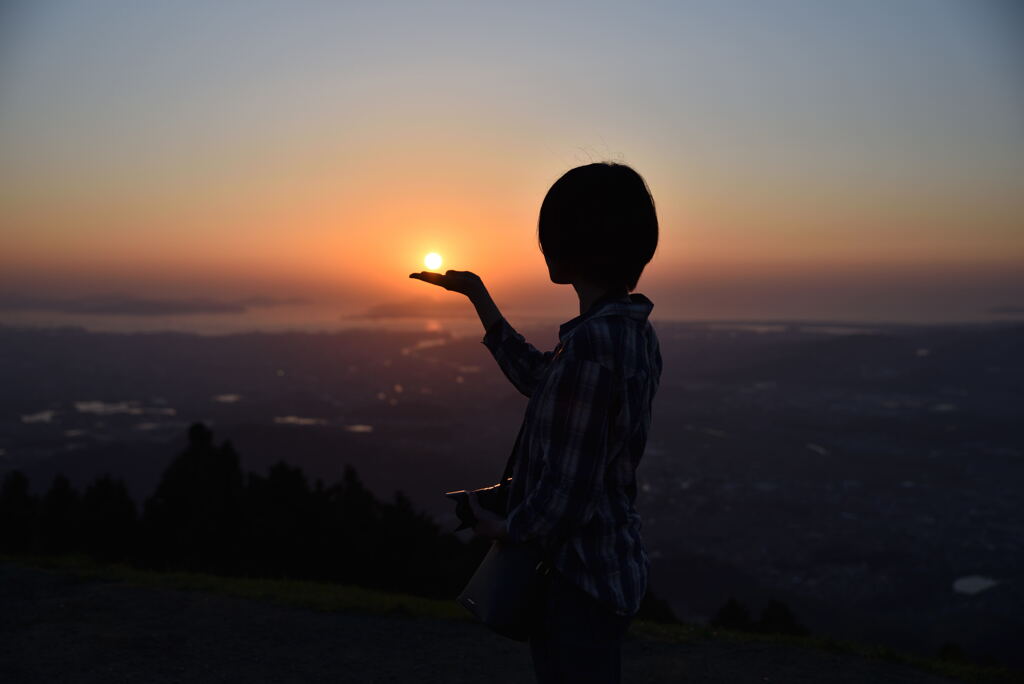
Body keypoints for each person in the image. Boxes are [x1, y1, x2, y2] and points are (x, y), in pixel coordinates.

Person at [410, 162, 661, 684]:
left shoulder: (593, 347)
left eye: (549, 233)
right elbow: (541, 378)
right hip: (606, 565)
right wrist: (479, 297)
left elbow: (567, 493)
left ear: (575, 242)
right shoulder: (627, 332)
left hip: (579, 579)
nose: (542, 246)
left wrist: (501, 527)